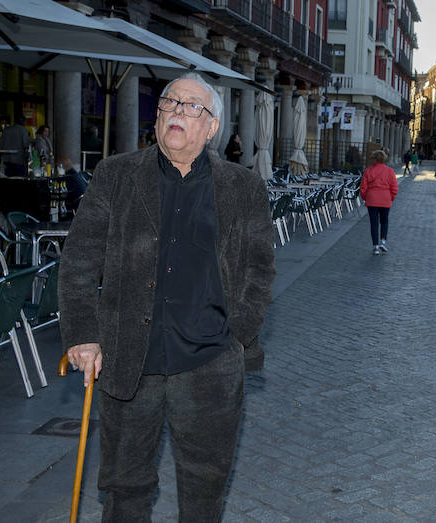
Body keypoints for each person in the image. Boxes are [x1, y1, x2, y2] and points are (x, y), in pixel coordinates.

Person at [59, 72, 275, 521]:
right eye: (169, 103)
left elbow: (259, 270)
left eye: (190, 105)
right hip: (128, 363)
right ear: (157, 117)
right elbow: (79, 261)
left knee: (204, 493)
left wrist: (236, 335)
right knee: (123, 489)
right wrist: (83, 335)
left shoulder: (244, 188)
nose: (176, 111)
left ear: (211, 126)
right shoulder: (116, 175)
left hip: (209, 364)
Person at [359, 149, 398, 254]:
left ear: (374, 159)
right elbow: (394, 187)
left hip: (372, 198)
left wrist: (365, 198)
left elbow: (363, 187)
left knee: (374, 222)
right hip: (385, 199)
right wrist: (391, 198)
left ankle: (375, 245)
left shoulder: (368, 171)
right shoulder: (390, 171)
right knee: (385, 221)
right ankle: (383, 242)